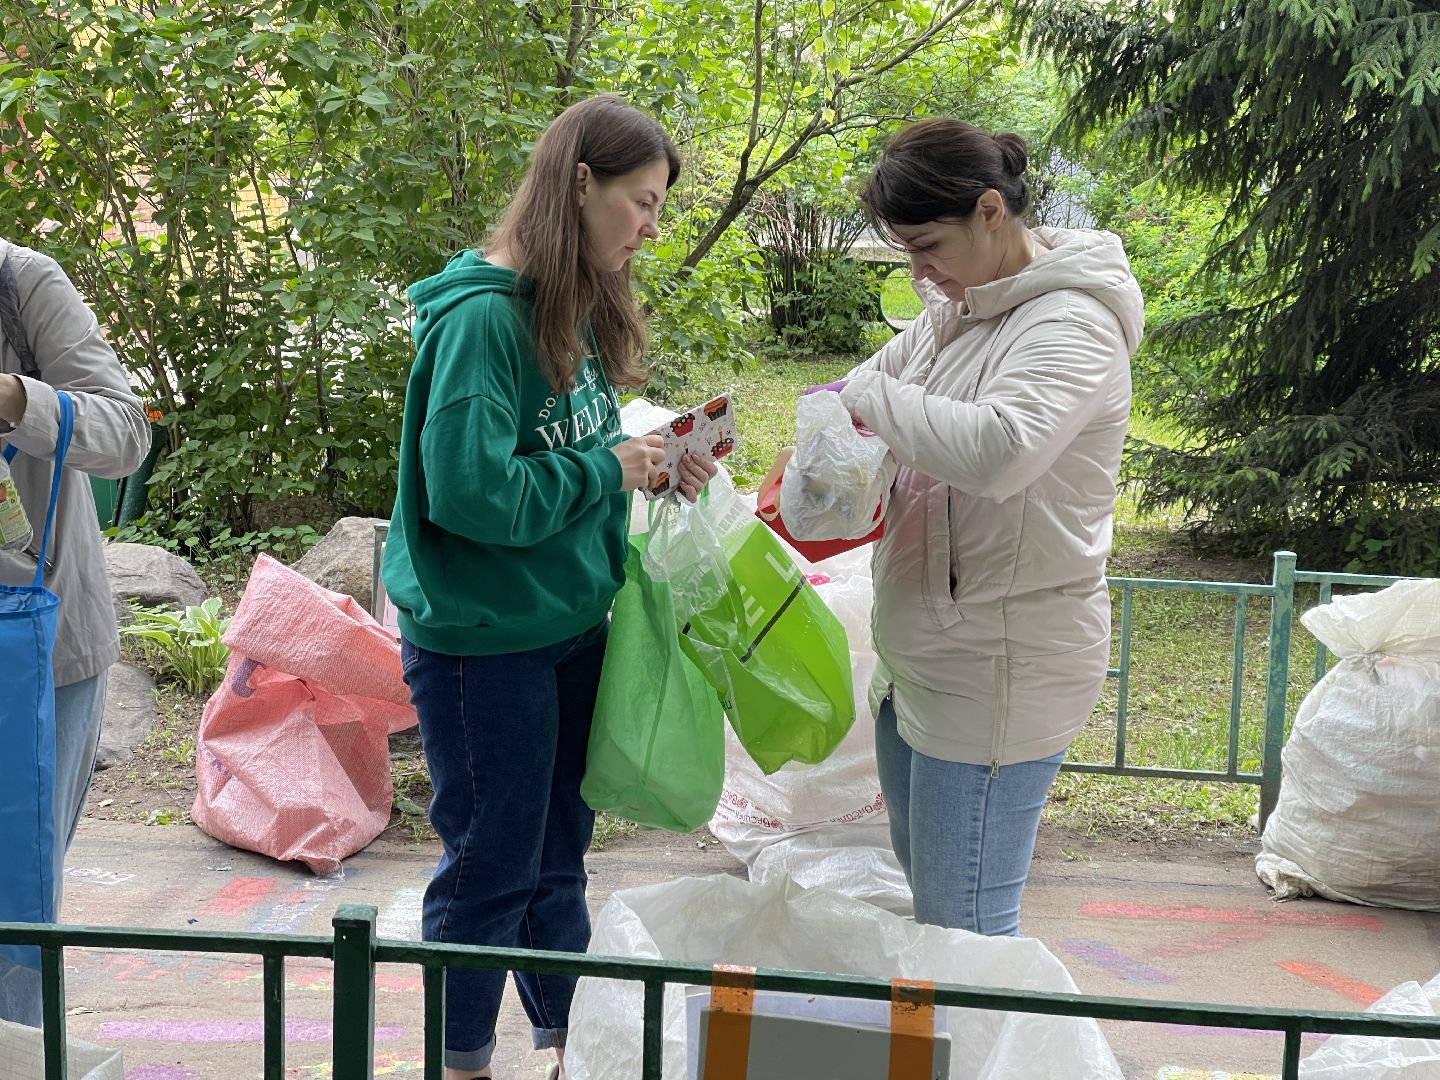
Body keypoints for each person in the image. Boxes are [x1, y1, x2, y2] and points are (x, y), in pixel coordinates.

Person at [381, 95, 714, 1080]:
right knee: (492, 866)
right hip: (487, 645)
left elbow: (571, 449)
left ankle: (570, 1049)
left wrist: (653, 462)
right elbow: (470, 492)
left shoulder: (566, 303)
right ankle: (463, 1064)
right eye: (641, 202)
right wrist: (607, 470)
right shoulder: (484, 320)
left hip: (569, 624)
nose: (651, 228)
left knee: (558, 861)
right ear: (579, 183)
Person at [813, 119, 1143, 936]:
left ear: (990, 211)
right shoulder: (959, 310)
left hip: (999, 666)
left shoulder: (1070, 322)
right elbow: (851, 401)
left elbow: (999, 450)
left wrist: (865, 401)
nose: (919, 272)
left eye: (927, 246)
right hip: (926, 659)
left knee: (966, 931)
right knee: (937, 909)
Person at [0, 237, 150, 1021]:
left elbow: (126, 434)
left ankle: (20, 1052)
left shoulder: (22, 283)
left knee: (15, 902)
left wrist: (16, 400)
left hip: (35, 646)